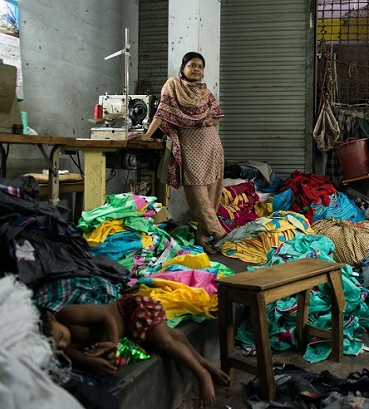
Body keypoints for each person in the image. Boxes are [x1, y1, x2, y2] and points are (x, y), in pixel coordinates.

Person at [40, 294, 230, 408]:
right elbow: (81, 358)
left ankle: (202, 374)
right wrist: (96, 362)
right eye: (57, 348)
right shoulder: (64, 347)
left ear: (51, 318)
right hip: (132, 331)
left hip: (131, 311)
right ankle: (206, 364)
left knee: (165, 342)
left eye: (59, 337)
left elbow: (107, 318)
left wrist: (113, 344)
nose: (62, 345)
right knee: (174, 338)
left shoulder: (66, 315)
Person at [133, 52, 226, 255]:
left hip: (211, 144)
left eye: (200, 66)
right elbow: (162, 112)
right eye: (192, 65)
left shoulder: (205, 91)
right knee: (197, 192)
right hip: (190, 146)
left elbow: (217, 115)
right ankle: (220, 234)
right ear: (183, 67)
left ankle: (202, 238)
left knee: (212, 193)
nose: (196, 69)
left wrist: (212, 121)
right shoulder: (173, 85)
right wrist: (148, 135)